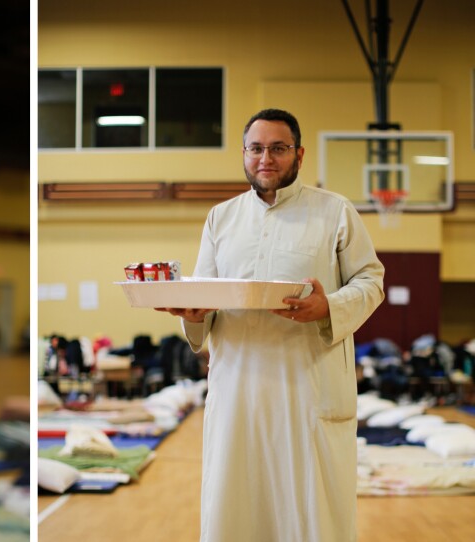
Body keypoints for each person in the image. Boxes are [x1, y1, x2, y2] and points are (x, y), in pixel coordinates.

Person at [157, 109, 384, 541]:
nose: (266, 158)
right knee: (235, 508)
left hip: (308, 390)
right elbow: (203, 296)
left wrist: (329, 306)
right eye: (257, 148)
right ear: (244, 154)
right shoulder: (220, 218)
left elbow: (372, 280)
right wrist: (195, 314)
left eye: (278, 148)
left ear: (298, 154)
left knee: (312, 511)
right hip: (237, 392)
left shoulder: (334, 211)